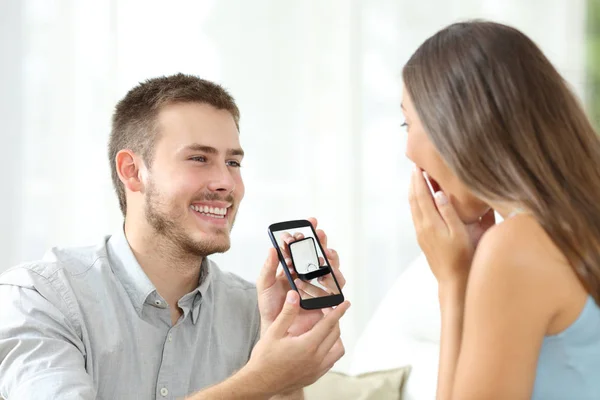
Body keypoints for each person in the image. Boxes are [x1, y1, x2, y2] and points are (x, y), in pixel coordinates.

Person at [0, 73, 350, 399]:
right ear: (133, 171)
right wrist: (260, 379)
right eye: (199, 158)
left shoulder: (252, 313)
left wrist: (285, 367)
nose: (226, 183)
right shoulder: (40, 299)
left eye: (233, 163)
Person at [402, 20, 600, 399]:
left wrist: (452, 283)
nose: (407, 151)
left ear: (457, 125)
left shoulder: (516, 247)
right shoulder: (573, 226)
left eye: (407, 122)